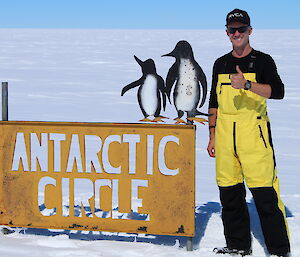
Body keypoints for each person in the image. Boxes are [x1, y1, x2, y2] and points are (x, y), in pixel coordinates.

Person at [207, 8, 290, 257]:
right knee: (229, 195)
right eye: (232, 30)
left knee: (265, 196)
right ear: (227, 33)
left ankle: (278, 250)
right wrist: (212, 134)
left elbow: (278, 91)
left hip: (254, 138)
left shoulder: (263, 61)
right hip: (224, 138)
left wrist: (248, 85)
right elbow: (213, 101)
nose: (237, 33)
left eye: (241, 29)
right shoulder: (220, 63)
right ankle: (237, 246)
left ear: (249, 31)